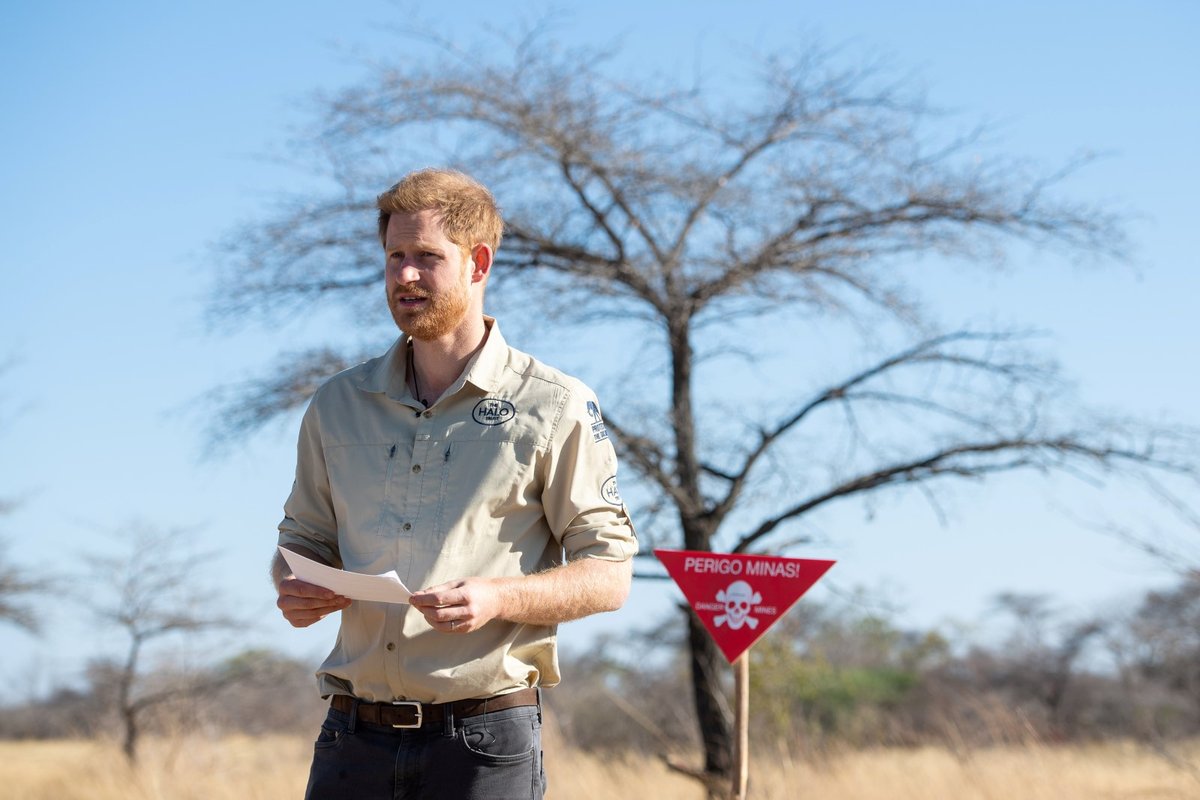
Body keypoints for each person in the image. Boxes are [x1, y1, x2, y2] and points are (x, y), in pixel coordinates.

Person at [271, 168, 638, 799]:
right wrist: (292, 585)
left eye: (426, 258)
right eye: (394, 257)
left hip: (483, 742)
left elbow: (609, 574)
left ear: (478, 263)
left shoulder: (556, 405)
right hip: (348, 739)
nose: (404, 276)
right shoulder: (336, 404)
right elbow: (300, 539)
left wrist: (498, 599)